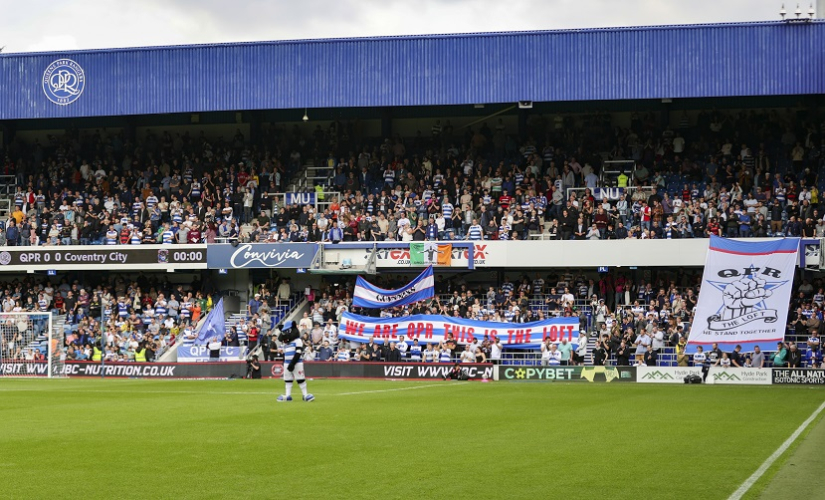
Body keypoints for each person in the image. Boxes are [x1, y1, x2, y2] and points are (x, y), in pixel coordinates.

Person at [276, 321, 314, 402]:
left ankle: (305, 394)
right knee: (287, 379)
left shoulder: (298, 341)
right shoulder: (286, 343)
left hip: (297, 363)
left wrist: (293, 363)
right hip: (286, 363)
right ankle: (288, 395)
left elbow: (298, 352)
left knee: (300, 379)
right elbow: (284, 351)